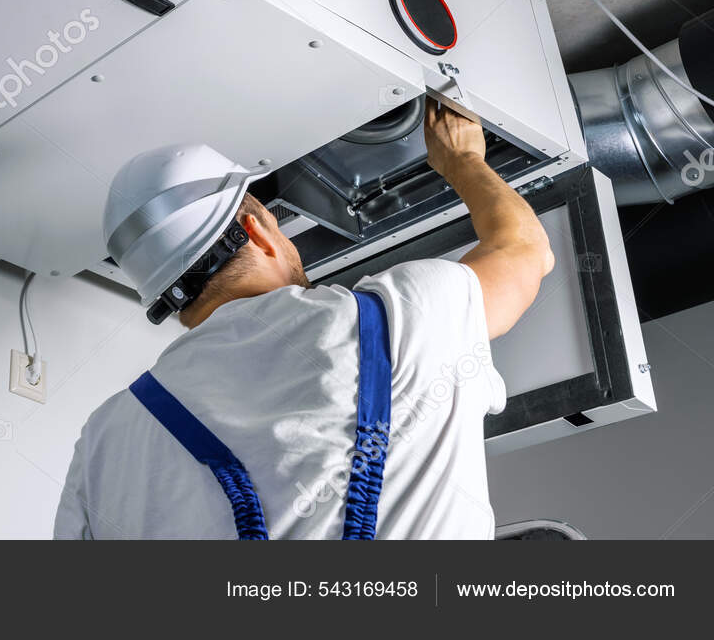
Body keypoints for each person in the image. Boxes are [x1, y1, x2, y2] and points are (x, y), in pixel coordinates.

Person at [55, 99, 554, 539]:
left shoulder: (103, 438)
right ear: (259, 230)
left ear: (167, 297)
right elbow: (524, 251)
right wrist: (462, 158)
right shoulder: (392, 318)